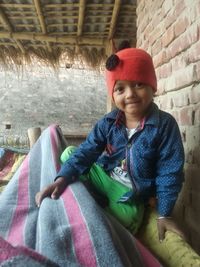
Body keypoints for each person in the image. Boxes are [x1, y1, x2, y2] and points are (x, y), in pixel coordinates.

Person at [35, 45, 185, 242]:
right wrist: (61, 178)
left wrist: (164, 214)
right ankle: (93, 195)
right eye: (120, 88)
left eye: (138, 84)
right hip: (104, 176)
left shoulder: (164, 125)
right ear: (113, 96)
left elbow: (169, 172)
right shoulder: (109, 122)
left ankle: (95, 205)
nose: (130, 94)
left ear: (152, 87)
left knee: (128, 218)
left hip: (129, 193)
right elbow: (88, 150)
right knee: (69, 153)